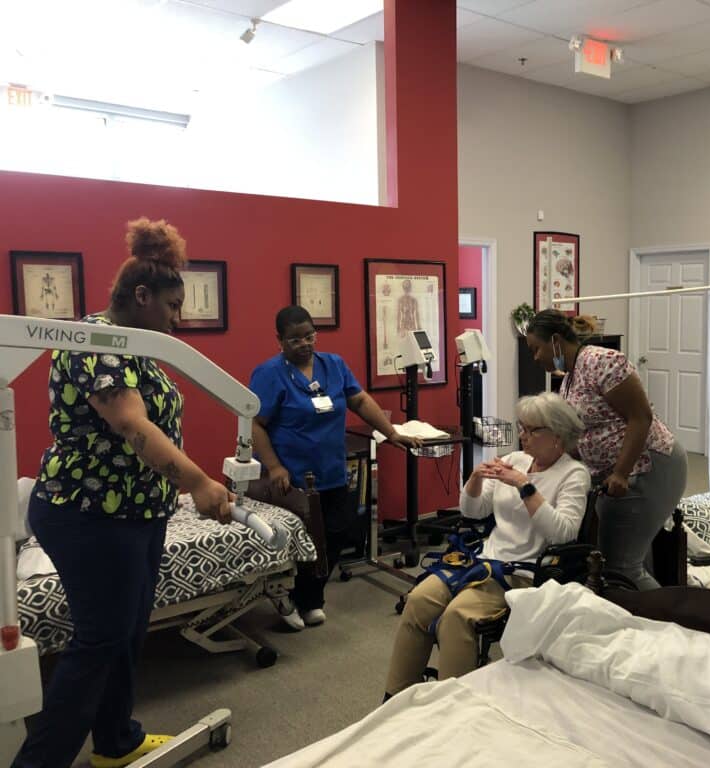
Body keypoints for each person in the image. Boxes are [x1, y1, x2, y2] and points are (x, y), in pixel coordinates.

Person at [13, 218, 235, 768]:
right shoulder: (95, 343)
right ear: (141, 295)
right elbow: (135, 427)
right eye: (173, 305)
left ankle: (117, 741)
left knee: (127, 631)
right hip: (86, 514)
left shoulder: (137, 348)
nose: (179, 319)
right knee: (99, 640)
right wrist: (199, 482)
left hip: (136, 514)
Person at [383, 392, 589, 696]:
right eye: (522, 427)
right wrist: (476, 478)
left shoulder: (573, 474)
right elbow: (472, 511)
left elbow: (563, 533)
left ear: (558, 435)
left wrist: (524, 486)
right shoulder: (515, 460)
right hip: (482, 561)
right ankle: (395, 698)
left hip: (523, 571)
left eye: (532, 430)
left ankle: (454, 707)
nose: (524, 436)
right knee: (418, 601)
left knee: (457, 617)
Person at [249, 306, 421, 630]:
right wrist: (273, 467)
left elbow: (359, 401)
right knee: (297, 539)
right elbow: (255, 423)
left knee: (336, 532)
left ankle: (308, 597)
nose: (304, 343)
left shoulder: (334, 365)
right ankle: (292, 596)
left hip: (331, 471)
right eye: (294, 339)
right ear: (279, 341)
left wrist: (392, 433)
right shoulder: (268, 374)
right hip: (291, 477)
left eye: (309, 336)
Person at [525, 310, 686, 590]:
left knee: (621, 567)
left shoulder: (602, 361)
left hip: (648, 466)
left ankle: (667, 624)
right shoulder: (568, 379)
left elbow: (641, 417)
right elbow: (580, 436)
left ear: (555, 341)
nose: (535, 358)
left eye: (536, 349)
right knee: (614, 558)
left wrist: (622, 473)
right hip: (611, 476)